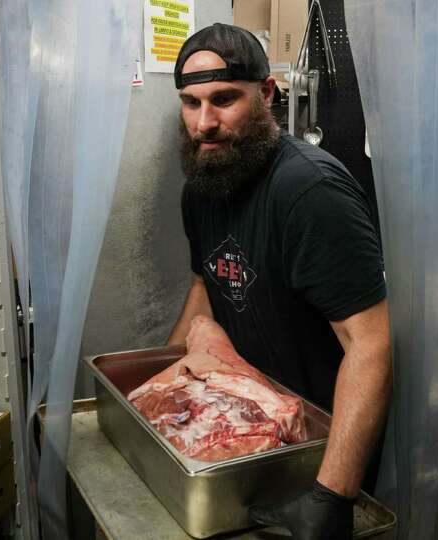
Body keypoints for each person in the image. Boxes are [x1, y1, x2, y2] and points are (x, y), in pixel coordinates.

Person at [166, 23, 392, 540]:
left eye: (224, 99)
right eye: (190, 102)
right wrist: (166, 380)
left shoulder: (308, 191)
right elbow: (207, 286)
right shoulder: (203, 184)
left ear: (267, 94)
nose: (205, 123)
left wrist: (331, 496)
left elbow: (371, 344)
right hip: (248, 426)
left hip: (317, 447)